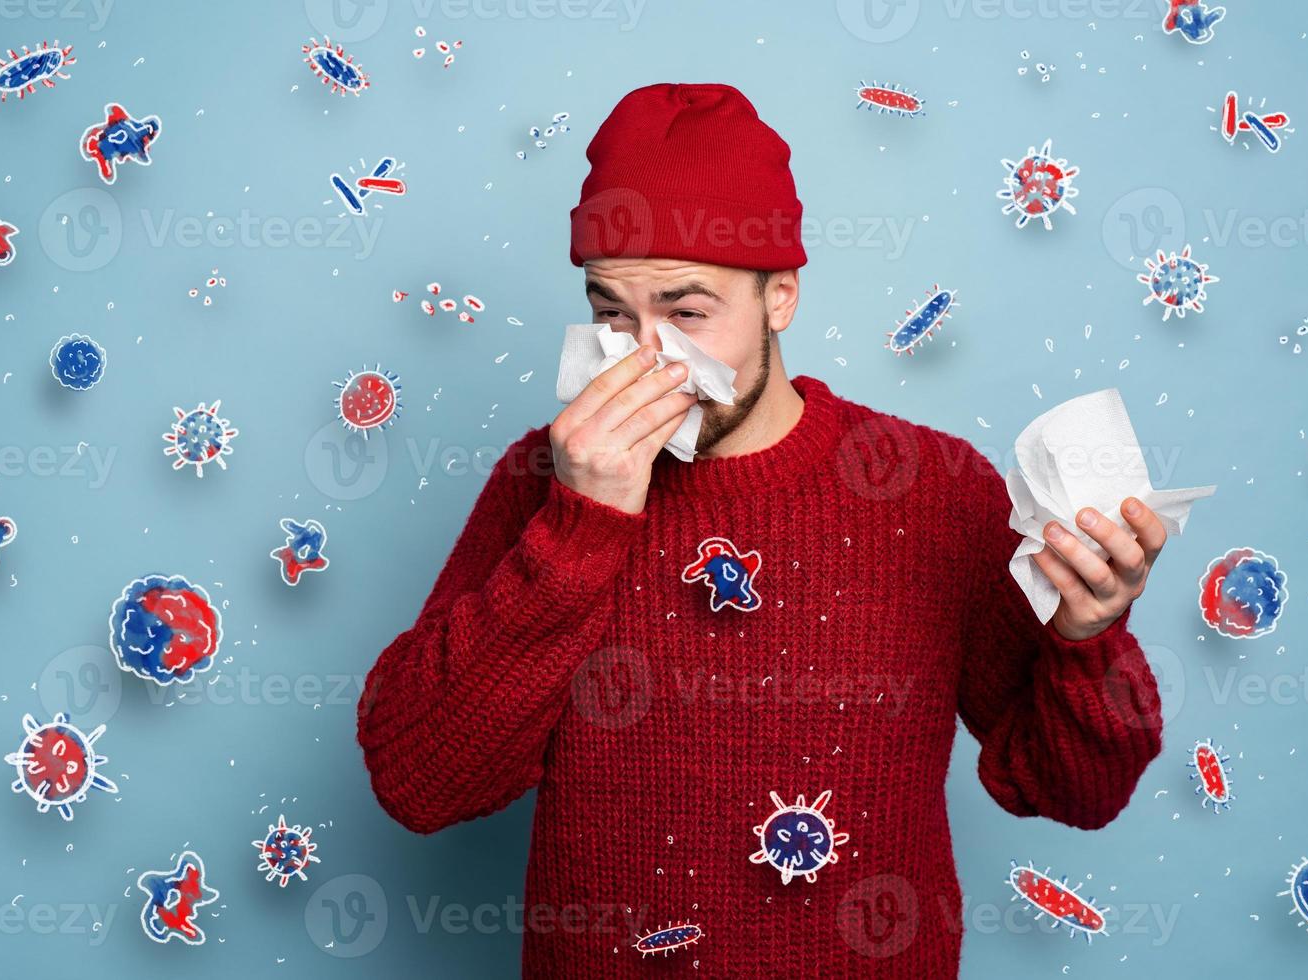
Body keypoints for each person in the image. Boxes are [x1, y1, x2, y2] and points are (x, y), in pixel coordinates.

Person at [358, 82, 1165, 978]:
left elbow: (1072, 793)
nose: (647, 357)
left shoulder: (933, 491)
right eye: (611, 315)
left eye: (687, 312)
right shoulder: (546, 475)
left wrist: (1087, 644)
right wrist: (580, 528)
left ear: (779, 297)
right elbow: (420, 783)